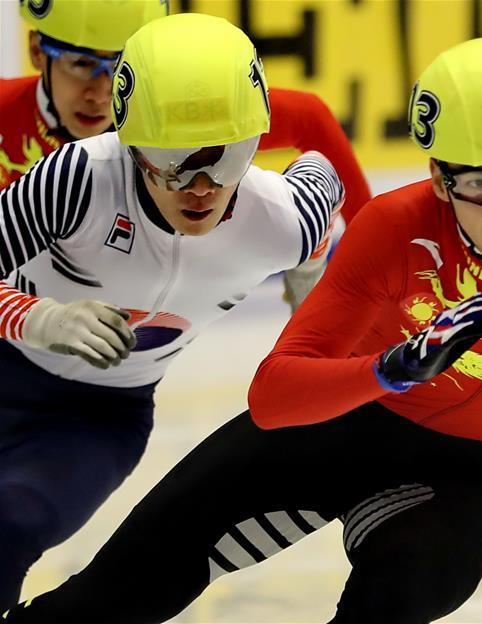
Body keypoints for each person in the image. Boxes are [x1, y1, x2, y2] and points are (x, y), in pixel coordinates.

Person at [0, 36, 482, 624]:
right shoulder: (399, 230)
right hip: (336, 426)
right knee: (106, 601)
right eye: (476, 183)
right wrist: (387, 371)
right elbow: (274, 397)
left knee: (390, 605)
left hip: (468, 476)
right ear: (439, 177)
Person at [0, 12, 345, 611]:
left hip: (98, 419)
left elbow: (322, 178)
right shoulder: (80, 178)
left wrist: (309, 290)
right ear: (132, 143)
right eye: (173, 158)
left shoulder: (283, 220)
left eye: (227, 157)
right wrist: (39, 319)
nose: (201, 186)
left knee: (9, 528)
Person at [1, 0, 372, 303]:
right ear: (36, 51)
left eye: (121, 68)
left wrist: (374, 274)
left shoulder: (176, 115)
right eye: (81, 64)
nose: (100, 93)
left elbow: (309, 119)